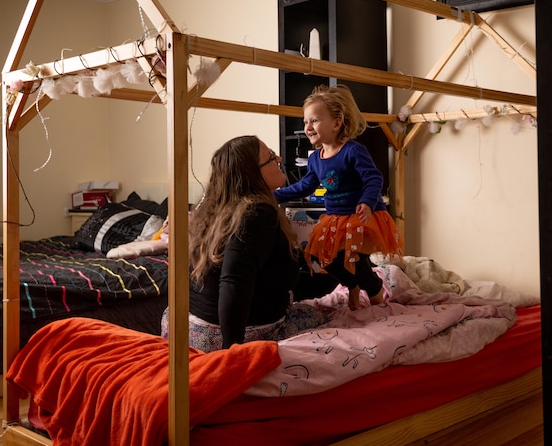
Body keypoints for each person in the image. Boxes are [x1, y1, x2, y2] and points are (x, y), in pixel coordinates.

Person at [164, 135, 329, 352]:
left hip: (185, 327)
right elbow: (233, 282)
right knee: (326, 314)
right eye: (271, 156)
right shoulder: (256, 214)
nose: (279, 157)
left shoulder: (215, 210)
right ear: (252, 173)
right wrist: (232, 352)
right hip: (224, 336)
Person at [274, 85, 403, 311]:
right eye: (305, 122)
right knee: (326, 259)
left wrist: (366, 201)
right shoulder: (315, 158)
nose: (307, 127)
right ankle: (352, 285)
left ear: (336, 123)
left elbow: (373, 178)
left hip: (360, 215)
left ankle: (375, 291)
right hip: (335, 218)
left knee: (354, 260)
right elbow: (305, 186)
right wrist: (274, 194)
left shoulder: (352, 151)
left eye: (314, 121)